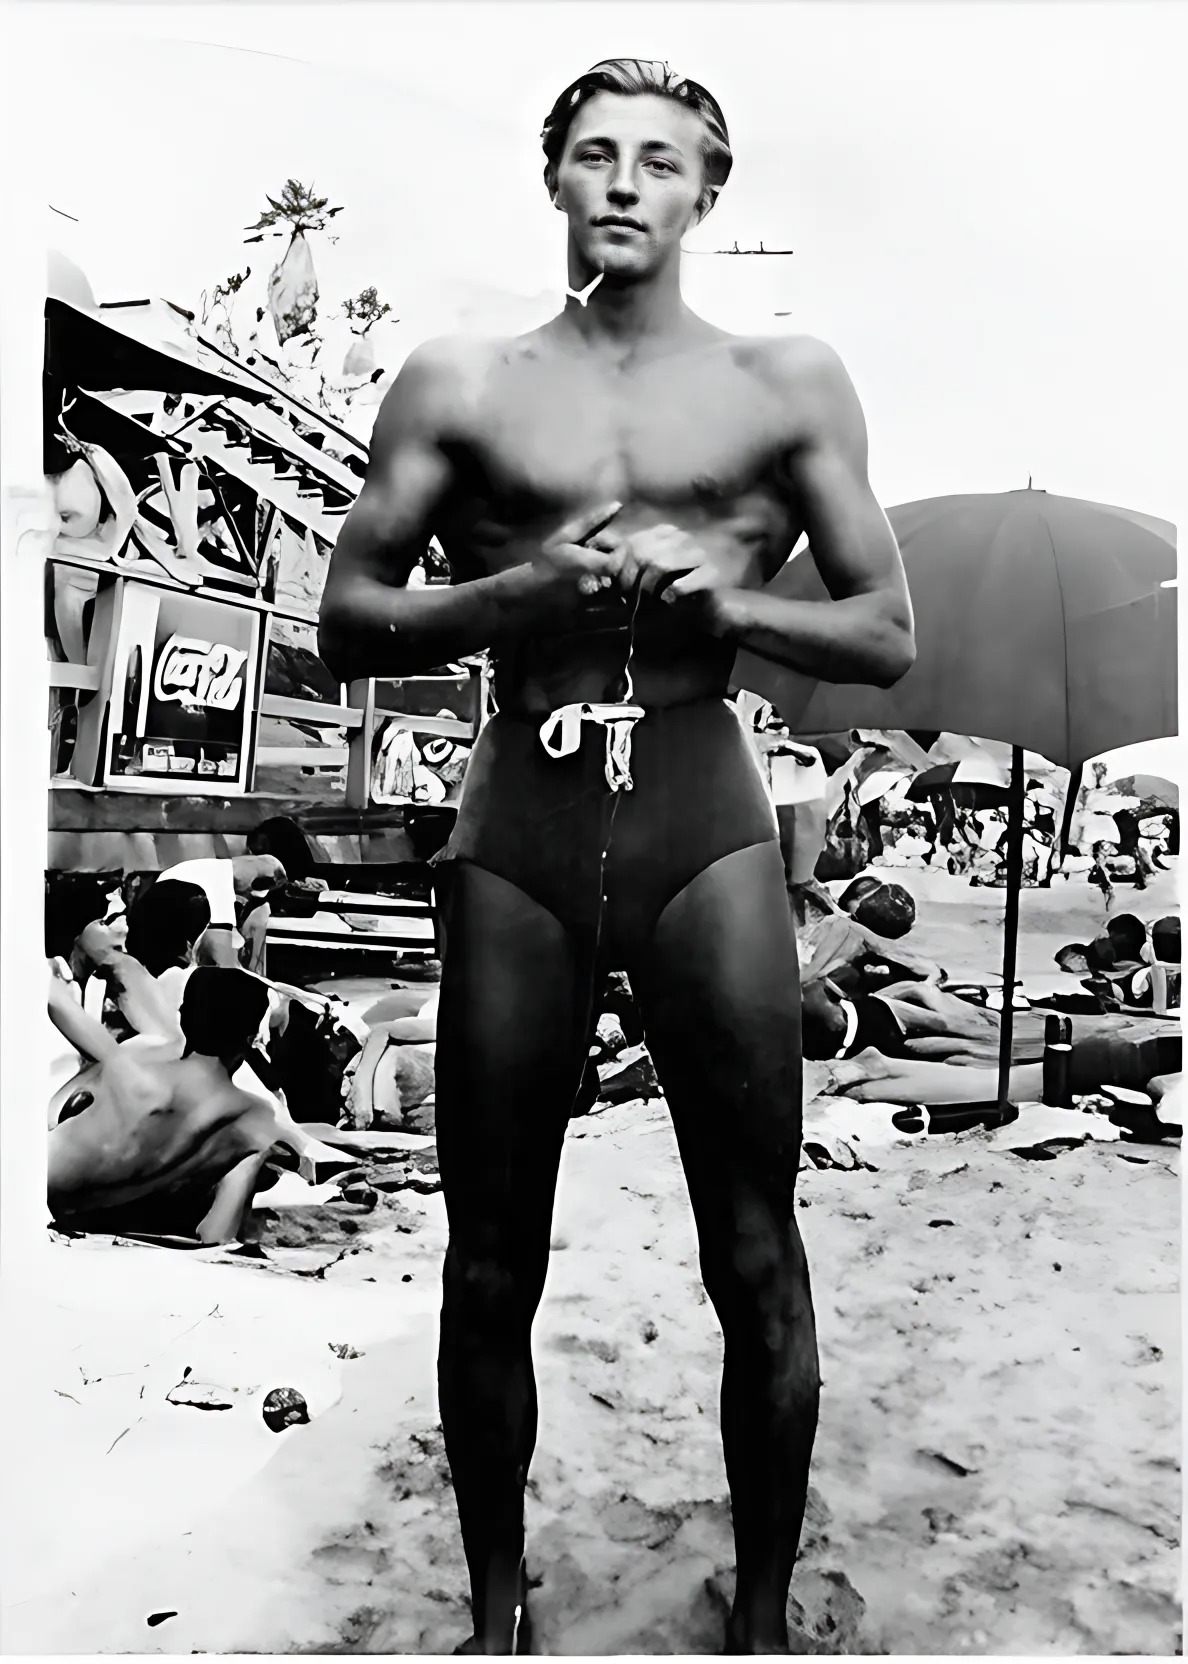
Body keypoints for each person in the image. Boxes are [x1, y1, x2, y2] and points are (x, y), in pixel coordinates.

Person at [319, 56, 914, 1655]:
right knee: (489, 1256)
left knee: (756, 1245)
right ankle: (497, 1606)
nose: (626, 181)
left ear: (708, 190)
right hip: (521, 805)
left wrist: (730, 603)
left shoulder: (787, 380)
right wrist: (511, 600)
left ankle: (763, 1614)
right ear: (556, 181)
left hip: (701, 808)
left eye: (660, 157)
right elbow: (346, 621)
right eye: (595, 154)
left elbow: (885, 631)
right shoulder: (461, 381)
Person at [48, 969, 337, 1242]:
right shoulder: (258, 1124)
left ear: (184, 1018)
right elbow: (217, 1236)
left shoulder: (135, 1064)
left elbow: (55, 1111)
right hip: (113, 1225)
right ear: (251, 1038)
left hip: (43, 1196)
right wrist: (257, 1161)